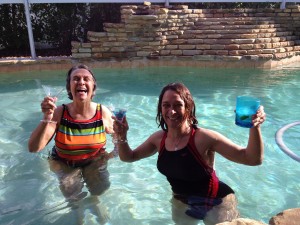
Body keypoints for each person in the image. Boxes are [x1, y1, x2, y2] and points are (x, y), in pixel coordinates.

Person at [112, 82, 266, 225]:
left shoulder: (203, 138)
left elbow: (252, 159)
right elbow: (129, 157)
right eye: (166, 105)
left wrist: (255, 127)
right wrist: (122, 135)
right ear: (160, 108)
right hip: (182, 201)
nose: (171, 111)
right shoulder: (158, 139)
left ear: (188, 107)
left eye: (178, 105)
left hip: (216, 202)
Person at [28, 64, 115, 223]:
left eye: (85, 79)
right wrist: (47, 118)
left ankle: (94, 201)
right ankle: (78, 211)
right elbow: (34, 148)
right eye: (76, 79)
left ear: (93, 87)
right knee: (73, 194)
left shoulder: (103, 112)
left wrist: (109, 156)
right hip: (64, 162)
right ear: (69, 87)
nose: (81, 82)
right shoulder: (60, 113)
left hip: (93, 160)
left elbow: (118, 138)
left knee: (100, 188)